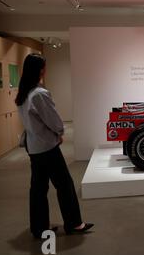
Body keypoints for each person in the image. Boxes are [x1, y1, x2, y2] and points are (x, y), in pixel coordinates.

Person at [15, 53, 93, 239]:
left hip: (33, 147)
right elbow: (54, 121)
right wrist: (59, 133)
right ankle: (74, 223)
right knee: (65, 185)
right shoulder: (39, 94)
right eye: (44, 66)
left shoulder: (23, 94)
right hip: (47, 148)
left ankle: (39, 228)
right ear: (40, 69)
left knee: (38, 189)